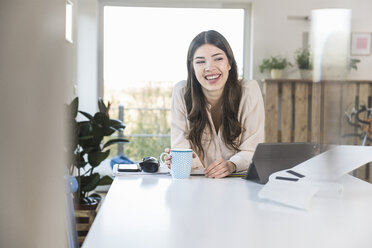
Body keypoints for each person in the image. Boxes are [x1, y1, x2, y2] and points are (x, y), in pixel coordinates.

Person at [164, 30, 265, 178]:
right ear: (192, 67)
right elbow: (181, 148)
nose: (209, 67)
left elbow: (253, 150)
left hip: (236, 184)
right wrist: (177, 160)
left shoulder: (249, 91)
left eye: (218, 59)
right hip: (195, 184)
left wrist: (231, 165)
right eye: (200, 61)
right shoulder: (181, 92)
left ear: (229, 63)